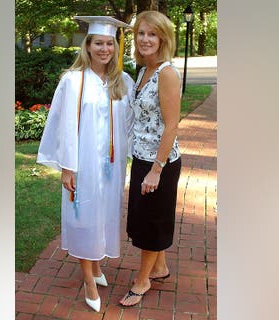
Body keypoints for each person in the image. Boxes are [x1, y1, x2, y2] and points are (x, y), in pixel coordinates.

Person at [37, 16, 134, 312]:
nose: (104, 48)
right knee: (83, 217)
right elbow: (63, 125)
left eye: (109, 43)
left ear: (115, 47)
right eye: (98, 43)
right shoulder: (73, 80)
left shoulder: (124, 81)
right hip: (83, 163)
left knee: (104, 215)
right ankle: (88, 280)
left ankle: (95, 267)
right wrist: (68, 166)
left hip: (112, 166)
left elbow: (130, 124)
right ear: (88, 46)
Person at [119, 10, 182, 307]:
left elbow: (171, 125)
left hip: (161, 163)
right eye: (141, 33)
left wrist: (156, 169)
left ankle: (141, 281)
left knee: (149, 222)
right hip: (143, 158)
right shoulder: (143, 70)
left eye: (152, 34)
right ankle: (159, 267)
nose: (145, 39)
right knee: (148, 217)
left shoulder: (166, 74)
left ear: (163, 39)